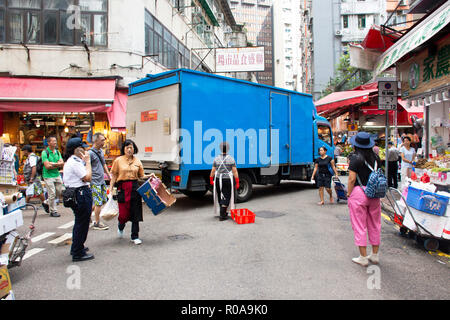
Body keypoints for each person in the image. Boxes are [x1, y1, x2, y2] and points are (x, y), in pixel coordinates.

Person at [347, 132, 382, 267]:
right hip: (374, 193)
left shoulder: (355, 159)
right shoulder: (376, 158)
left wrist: (349, 194)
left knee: (359, 225)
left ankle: (363, 257)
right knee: (375, 223)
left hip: (359, 193)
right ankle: (375, 255)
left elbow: (351, 179)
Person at [109, 140, 148, 245]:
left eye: (131, 147)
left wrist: (150, 176)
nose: (129, 150)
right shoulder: (118, 160)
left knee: (136, 213)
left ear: (134, 148)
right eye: (127, 148)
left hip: (135, 188)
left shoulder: (137, 161)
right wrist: (111, 190)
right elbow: (114, 176)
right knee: (123, 214)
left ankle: (135, 236)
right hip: (122, 188)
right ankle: (120, 226)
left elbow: (141, 176)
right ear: (124, 149)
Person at [63, 137, 94, 262]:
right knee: (82, 223)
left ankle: (77, 246)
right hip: (80, 193)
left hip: (76, 193)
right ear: (76, 150)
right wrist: (88, 162)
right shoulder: (75, 162)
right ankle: (77, 252)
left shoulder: (72, 161)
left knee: (80, 222)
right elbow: (87, 177)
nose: (84, 149)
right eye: (82, 147)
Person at [209, 142, 239, 221]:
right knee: (226, 196)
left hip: (218, 179)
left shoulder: (216, 158)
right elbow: (234, 171)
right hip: (227, 180)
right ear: (228, 149)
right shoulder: (231, 158)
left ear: (220, 148)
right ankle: (222, 216)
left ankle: (224, 212)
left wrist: (211, 179)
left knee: (220, 195)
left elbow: (212, 170)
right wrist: (237, 181)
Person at [89, 133, 112, 231]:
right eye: (102, 140)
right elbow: (86, 167)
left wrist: (108, 175)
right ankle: (97, 223)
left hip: (101, 180)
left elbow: (104, 164)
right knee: (98, 202)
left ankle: (87, 215)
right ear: (96, 141)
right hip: (94, 181)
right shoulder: (89, 153)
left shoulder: (101, 152)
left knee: (101, 201)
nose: (103, 142)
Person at [21, 145, 49, 212]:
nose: (23, 152)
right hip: (34, 177)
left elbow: (34, 167)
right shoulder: (31, 157)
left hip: (34, 177)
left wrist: (32, 177)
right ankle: (44, 203)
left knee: (38, 191)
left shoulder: (32, 158)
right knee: (33, 190)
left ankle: (45, 203)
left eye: (24, 151)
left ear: (26, 151)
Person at [42, 136, 64, 217]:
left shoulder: (57, 152)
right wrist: (57, 164)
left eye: (55, 140)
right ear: (48, 143)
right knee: (52, 193)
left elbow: (62, 163)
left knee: (59, 191)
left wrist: (53, 164)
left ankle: (46, 202)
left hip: (56, 174)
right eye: (53, 141)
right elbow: (47, 166)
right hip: (48, 175)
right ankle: (53, 211)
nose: (55, 142)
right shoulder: (45, 153)